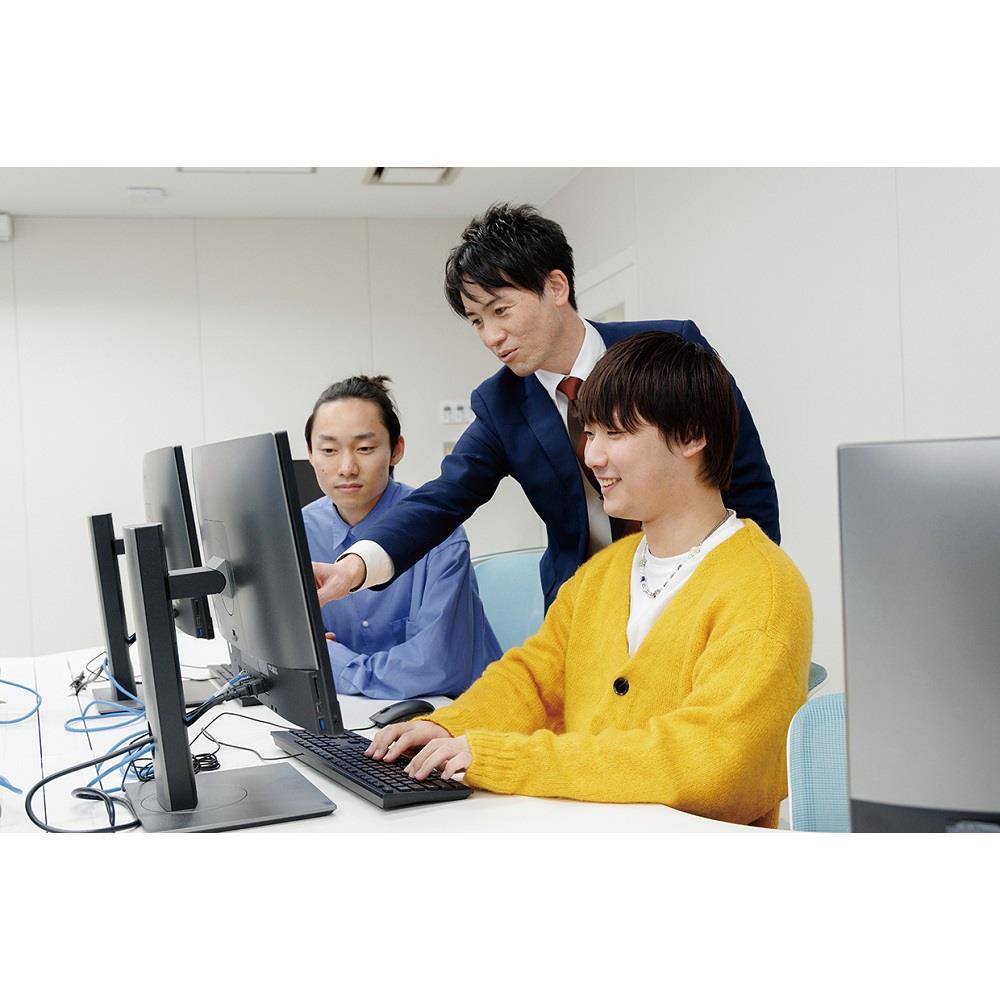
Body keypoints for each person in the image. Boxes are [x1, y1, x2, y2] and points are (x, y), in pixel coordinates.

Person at [365, 333, 812, 828]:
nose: (592, 456)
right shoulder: (603, 573)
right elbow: (532, 681)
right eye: (590, 433)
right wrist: (447, 727)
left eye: (614, 434)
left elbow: (711, 763)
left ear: (690, 436)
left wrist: (501, 757)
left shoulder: (762, 589)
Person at [315, 203, 779, 611]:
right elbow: (444, 497)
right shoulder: (501, 403)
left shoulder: (668, 348)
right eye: (476, 321)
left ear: (556, 286)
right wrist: (354, 567)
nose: (491, 336)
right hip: (586, 600)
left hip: (700, 580)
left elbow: (743, 475)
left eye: (501, 310)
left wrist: (753, 582)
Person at [301, 375, 500, 699]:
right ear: (310, 453)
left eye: (365, 448)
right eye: (329, 450)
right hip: (352, 711)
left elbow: (438, 667)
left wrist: (335, 665)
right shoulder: (300, 533)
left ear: (396, 450)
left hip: (452, 711)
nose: (347, 467)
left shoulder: (437, 531)